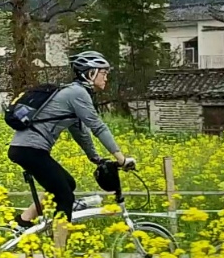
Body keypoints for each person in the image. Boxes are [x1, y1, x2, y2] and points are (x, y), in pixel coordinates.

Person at [9, 51, 136, 234]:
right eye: (103, 72)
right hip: (30, 150)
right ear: (91, 73)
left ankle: (23, 221)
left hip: (28, 149)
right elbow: (98, 127)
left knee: (67, 184)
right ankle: (59, 251)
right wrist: (122, 159)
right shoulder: (77, 93)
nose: (106, 77)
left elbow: (80, 131)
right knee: (65, 196)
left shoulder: (74, 93)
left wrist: (96, 158)